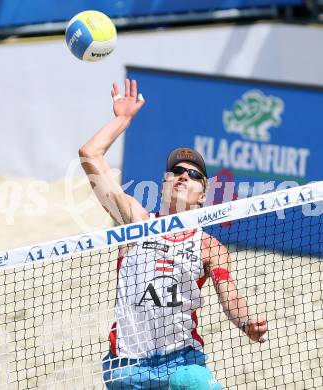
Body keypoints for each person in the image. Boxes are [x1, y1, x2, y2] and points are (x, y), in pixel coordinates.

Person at [79, 79, 268, 390]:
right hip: (128, 365)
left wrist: (246, 322)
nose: (183, 175)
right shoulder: (134, 221)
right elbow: (89, 155)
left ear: (203, 195)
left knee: (193, 380)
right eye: (175, 171)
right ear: (164, 184)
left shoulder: (210, 246)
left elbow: (229, 295)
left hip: (183, 360)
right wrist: (122, 119)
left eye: (193, 174)